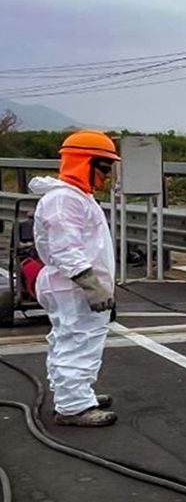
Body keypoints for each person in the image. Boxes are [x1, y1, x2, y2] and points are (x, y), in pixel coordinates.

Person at [30, 130, 120, 427]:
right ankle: (73, 407)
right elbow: (66, 248)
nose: (106, 176)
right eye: (104, 168)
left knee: (68, 339)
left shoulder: (74, 197)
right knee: (79, 342)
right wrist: (92, 286)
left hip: (73, 285)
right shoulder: (64, 200)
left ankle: (75, 394)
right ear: (85, 163)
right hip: (73, 286)